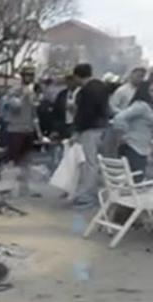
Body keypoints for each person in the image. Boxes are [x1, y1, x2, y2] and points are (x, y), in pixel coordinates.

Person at [73, 63, 111, 208]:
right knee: (98, 162)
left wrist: (78, 130)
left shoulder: (86, 90)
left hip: (90, 129)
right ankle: (96, 193)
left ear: (77, 76)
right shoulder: (102, 86)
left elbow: (85, 113)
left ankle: (87, 196)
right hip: (103, 128)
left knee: (90, 163)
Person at [3, 66, 40, 195]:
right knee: (13, 160)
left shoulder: (33, 92)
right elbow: (14, 106)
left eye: (31, 75)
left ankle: (24, 188)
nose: (29, 77)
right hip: (15, 130)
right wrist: (24, 94)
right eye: (27, 75)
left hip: (28, 130)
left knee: (26, 160)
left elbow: (34, 114)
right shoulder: (14, 91)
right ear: (23, 76)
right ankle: (9, 187)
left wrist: (39, 133)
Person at [112, 80, 153, 178]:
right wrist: (122, 135)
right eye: (151, 90)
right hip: (133, 147)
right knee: (135, 179)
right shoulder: (141, 106)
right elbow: (119, 117)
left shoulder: (148, 107)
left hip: (142, 147)